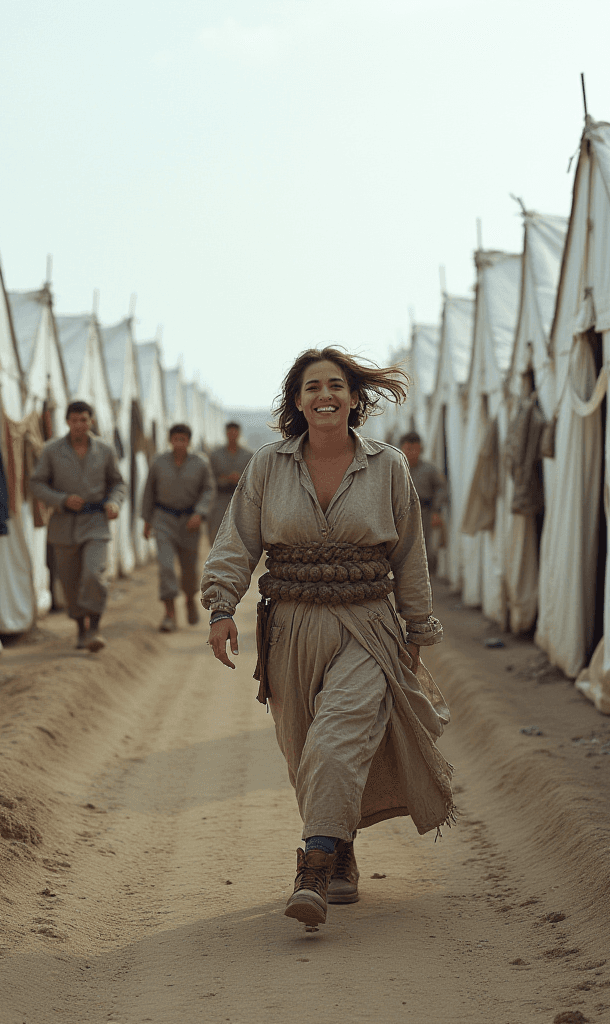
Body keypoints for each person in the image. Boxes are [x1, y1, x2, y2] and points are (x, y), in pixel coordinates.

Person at [202, 347, 453, 930]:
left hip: (367, 625)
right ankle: (340, 848)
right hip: (288, 627)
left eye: (336, 385)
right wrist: (221, 607)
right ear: (296, 401)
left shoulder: (388, 466)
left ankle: (312, 868)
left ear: (354, 397)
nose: (325, 396)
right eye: (312, 387)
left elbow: (409, 553)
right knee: (303, 751)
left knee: (336, 742)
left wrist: (417, 625)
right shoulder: (268, 465)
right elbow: (237, 541)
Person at [30, 400, 124, 653]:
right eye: (74, 420)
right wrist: (61, 500)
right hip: (64, 524)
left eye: (84, 420)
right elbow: (37, 484)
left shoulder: (105, 450)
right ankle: (80, 629)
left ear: (91, 421)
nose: (79, 425)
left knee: (94, 574)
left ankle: (95, 627)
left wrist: (114, 503)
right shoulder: (51, 450)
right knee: (70, 581)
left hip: (96, 523)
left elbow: (117, 483)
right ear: (67, 421)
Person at [142, 423, 216, 633]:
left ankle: (190, 598)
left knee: (189, 569)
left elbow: (209, 490)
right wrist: (147, 521)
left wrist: (199, 513)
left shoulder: (200, 463)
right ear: (170, 440)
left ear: (189, 441)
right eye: (176, 439)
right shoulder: (158, 462)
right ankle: (169, 613)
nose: (179, 443)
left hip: (189, 521)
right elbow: (149, 492)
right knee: (166, 567)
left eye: (183, 439)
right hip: (163, 519)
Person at [399, 431, 448, 577]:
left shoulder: (429, 469)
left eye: (415, 449)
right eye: (408, 449)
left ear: (420, 449)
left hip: (423, 512)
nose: (411, 453)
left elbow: (441, 488)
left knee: (423, 546)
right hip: (401, 513)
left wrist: (436, 511)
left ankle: (424, 578)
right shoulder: (395, 467)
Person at [207, 421, 254, 543]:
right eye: (230, 432)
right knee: (217, 531)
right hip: (220, 497)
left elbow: (254, 477)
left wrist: (240, 479)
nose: (232, 435)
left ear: (239, 434)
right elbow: (209, 477)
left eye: (235, 432)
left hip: (241, 499)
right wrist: (225, 478)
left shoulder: (248, 455)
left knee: (241, 534)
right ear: (226, 433)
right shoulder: (215, 455)